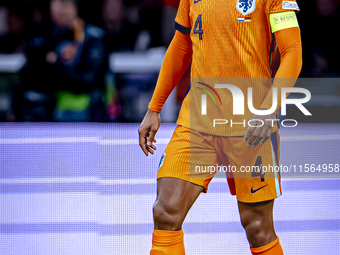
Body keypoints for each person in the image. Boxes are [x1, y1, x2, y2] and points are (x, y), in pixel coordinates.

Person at [138, 0, 302, 254]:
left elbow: (292, 51)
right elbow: (182, 43)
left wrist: (269, 108)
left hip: (250, 127)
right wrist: (154, 107)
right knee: (165, 212)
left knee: (257, 227)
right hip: (197, 122)